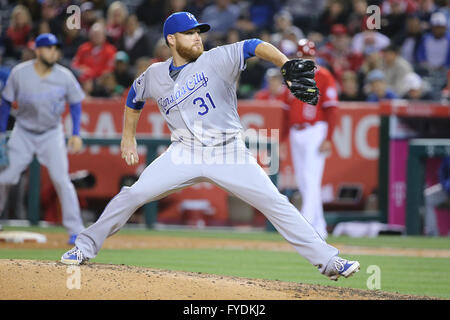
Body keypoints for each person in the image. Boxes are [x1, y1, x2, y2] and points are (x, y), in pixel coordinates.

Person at [61, 12, 360, 281]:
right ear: (171, 39)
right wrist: (128, 135)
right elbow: (134, 98)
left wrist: (283, 63)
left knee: (276, 202)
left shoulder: (216, 58)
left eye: (198, 32)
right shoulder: (154, 74)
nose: (197, 37)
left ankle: (329, 261)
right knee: (133, 193)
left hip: (227, 151)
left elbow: (253, 45)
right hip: (183, 153)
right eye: (190, 33)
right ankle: (84, 248)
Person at [0, 33, 85, 244]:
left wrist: (75, 133)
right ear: (37, 50)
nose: (54, 52)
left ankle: (76, 231)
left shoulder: (64, 76)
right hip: (23, 132)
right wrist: (2, 134)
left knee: (61, 179)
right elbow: (6, 103)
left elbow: (76, 104)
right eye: (49, 48)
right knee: (5, 178)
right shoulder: (20, 73)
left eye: (56, 48)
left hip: (51, 133)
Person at [285, 39, 339, 240]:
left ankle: (306, 226)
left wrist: (329, 138)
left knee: (310, 178)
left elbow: (332, 110)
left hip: (316, 130)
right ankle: (320, 227)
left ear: (315, 57)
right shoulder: (291, 76)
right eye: (302, 57)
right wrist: (282, 139)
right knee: (303, 180)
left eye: (309, 57)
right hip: (295, 131)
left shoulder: (324, 76)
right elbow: (285, 110)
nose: (306, 60)